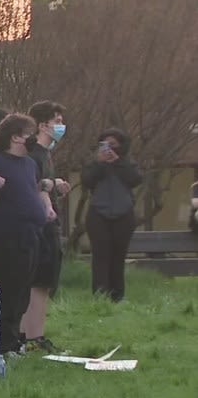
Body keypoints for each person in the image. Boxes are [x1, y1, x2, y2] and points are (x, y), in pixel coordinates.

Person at [0, 114, 48, 355]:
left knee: (23, 290)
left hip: (32, 234)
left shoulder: (30, 164)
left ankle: (15, 338)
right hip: (8, 235)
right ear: (15, 136)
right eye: (29, 132)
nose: (34, 138)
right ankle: (2, 343)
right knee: (7, 289)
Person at [22, 101, 68, 353]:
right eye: (56, 122)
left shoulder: (47, 154)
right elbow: (34, 186)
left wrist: (55, 184)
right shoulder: (33, 155)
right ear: (42, 125)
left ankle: (36, 333)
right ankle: (31, 335)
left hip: (50, 221)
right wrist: (48, 187)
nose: (61, 127)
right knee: (37, 280)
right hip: (39, 225)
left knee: (46, 281)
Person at [82, 129, 142, 302]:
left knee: (118, 255)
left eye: (113, 145)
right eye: (106, 145)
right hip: (98, 214)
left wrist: (117, 163)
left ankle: (118, 295)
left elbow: (135, 179)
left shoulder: (127, 163)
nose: (110, 149)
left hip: (124, 214)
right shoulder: (94, 164)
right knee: (100, 255)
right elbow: (87, 180)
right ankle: (100, 295)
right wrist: (101, 163)